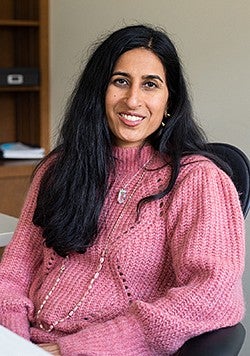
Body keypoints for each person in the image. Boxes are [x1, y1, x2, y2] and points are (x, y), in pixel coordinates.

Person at [0, 24, 245, 356]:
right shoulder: (58, 169)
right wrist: (16, 343)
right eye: (120, 81)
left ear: (169, 99)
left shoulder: (197, 180)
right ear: (98, 91)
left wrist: (70, 349)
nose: (133, 100)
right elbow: (13, 271)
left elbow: (212, 296)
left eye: (150, 85)